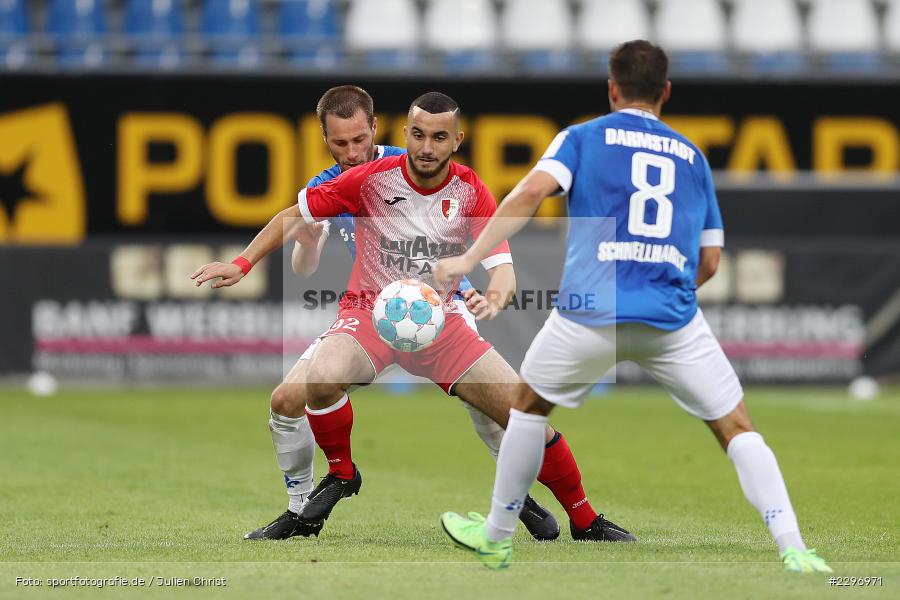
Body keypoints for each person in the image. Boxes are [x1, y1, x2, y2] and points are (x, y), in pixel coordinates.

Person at [434, 41, 833, 574]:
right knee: (737, 427)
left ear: (612, 88)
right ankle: (794, 548)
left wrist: (469, 258)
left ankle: (496, 537)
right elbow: (710, 261)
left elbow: (529, 193)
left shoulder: (581, 137)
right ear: (665, 91)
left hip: (591, 310)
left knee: (527, 410)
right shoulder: (691, 157)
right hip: (671, 315)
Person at [191, 90, 635, 543]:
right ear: (405, 133)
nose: (352, 152)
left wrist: (494, 293)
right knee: (307, 386)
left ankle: (579, 517)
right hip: (372, 311)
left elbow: (501, 265)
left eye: (438, 137)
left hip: (440, 315)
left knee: (515, 414)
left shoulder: (466, 187)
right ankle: (331, 483)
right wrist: (244, 263)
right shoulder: (358, 180)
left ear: (454, 140)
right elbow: (296, 235)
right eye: (419, 135)